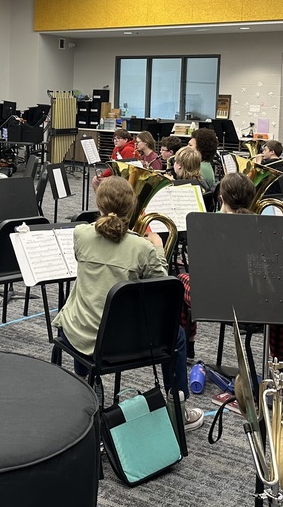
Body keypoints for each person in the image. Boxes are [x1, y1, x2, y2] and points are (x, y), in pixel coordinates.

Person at [54, 176, 205, 431]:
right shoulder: (142, 248)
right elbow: (162, 287)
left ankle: (84, 379)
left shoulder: (81, 234)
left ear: (99, 205)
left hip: (78, 336)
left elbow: (99, 236)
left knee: (73, 317)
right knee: (177, 336)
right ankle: (178, 407)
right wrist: (157, 248)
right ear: (133, 207)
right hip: (122, 345)